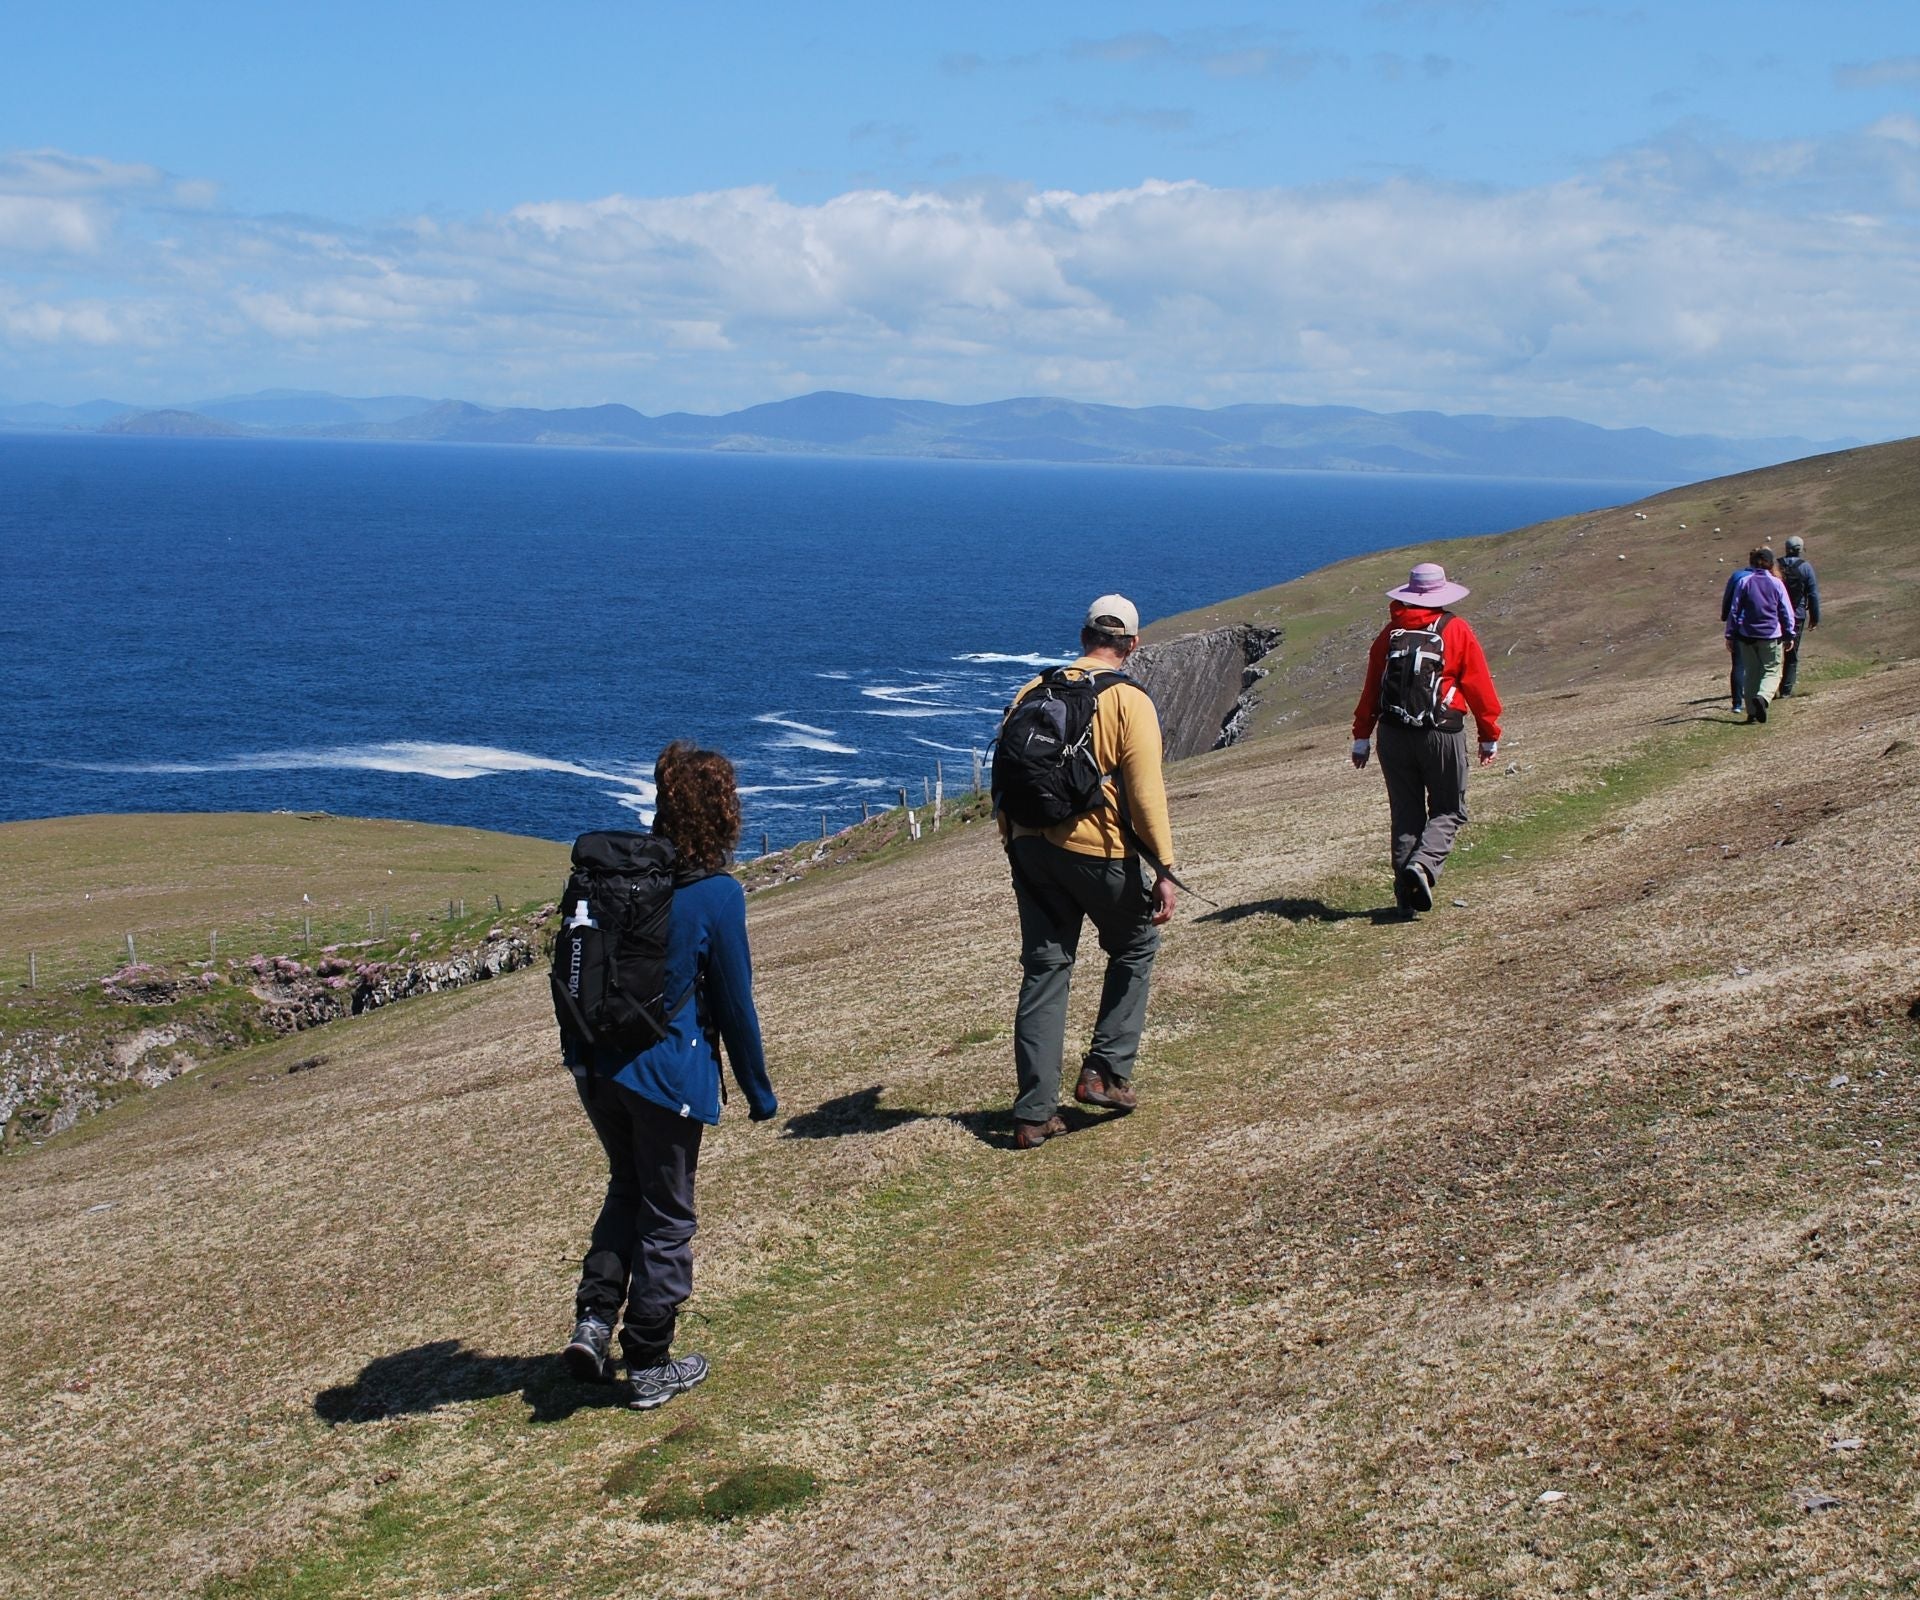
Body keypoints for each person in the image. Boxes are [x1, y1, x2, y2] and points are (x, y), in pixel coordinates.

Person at [563, 741, 777, 1410]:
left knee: (626, 1189)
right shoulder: (716, 895)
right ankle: (650, 1360)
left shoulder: (617, 879)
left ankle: (595, 1322)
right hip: (664, 1076)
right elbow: (736, 1006)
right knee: (668, 1215)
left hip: (598, 1067)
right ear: (724, 813)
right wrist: (759, 1092)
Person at [998, 594, 1177, 1151]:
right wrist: (1165, 867)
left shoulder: (1033, 690)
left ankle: (1033, 1115)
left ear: (1082, 637)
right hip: (1095, 850)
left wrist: (1013, 843)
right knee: (1134, 944)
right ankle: (1104, 1071)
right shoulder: (1129, 700)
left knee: (1045, 968)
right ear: (1132, 644)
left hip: (1029, 845)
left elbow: (1005, 774)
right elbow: (1145, 792)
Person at [1351, 563, 1503, 916]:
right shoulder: (1456, 630)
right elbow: (1479, 685)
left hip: (1392, 733)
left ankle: (1406, 899)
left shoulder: (1390, 632)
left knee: (1406, 814)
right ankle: (1422, 867)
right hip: (1441, 732)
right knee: (1449, 808)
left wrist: (1361, 737)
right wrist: (1488, 735)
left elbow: (1372, 686)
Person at [1721, 546, 1798, 723]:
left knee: (1752, 673)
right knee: (1772, 671)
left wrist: (1730, 635)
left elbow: (1734, 610)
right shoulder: (1776, 583)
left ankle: (1751, 713)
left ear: (1751, 563)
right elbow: (1786, 611)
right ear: (1771, 564)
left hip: (1746, 635)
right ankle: (1763, 697)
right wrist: (1789, 634)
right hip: (1770, 635)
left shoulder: (1744, 582)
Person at [1776, 534, 1821, 697]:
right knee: (1791, 653)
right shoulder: (1806, 567)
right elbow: (1813, 594)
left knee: (1773, 652)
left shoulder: (1776, 566)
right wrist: (1815, 617)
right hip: (1797, 615)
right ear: (1800, 550)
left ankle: (1770, 688)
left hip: (1775, 616)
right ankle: (1786, 690)